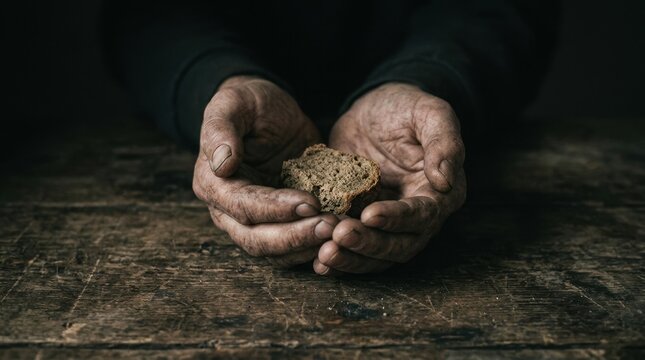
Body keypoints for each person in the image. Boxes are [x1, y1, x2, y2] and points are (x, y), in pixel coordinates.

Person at [103, 1, 559, 275]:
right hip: (219, 117)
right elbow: (144, 12)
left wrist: (431, 79)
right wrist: (212, 82)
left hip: (436, 123)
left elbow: (503, 7)